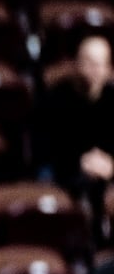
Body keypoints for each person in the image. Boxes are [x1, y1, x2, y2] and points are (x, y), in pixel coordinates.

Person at [37, 36, 114, 219]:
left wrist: (111, 165)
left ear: (108, 70)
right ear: (76, 64)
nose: (90, 70)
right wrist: (81, 162)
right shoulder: (56, 98)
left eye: (96, 65)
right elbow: (46, 147)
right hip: (65, 170)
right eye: (85, 62)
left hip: (106, 172)